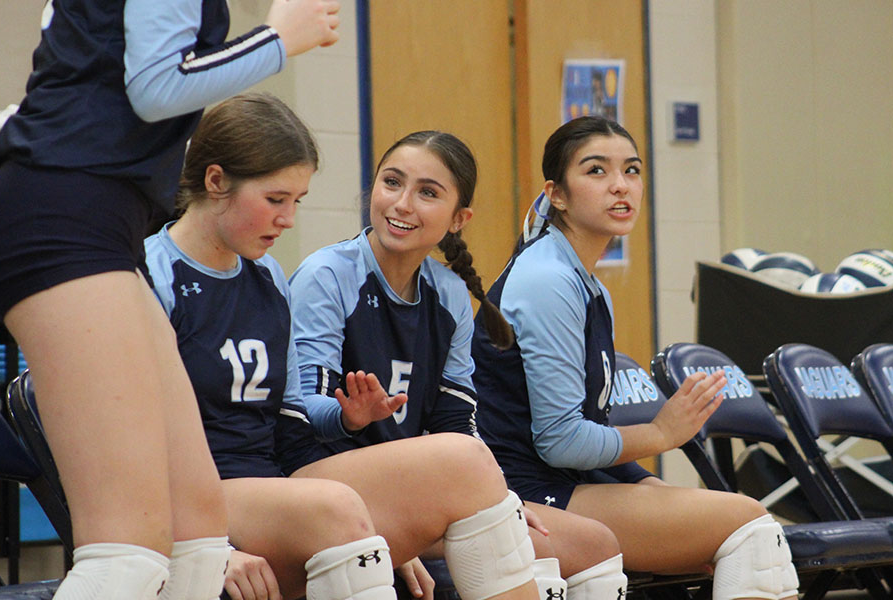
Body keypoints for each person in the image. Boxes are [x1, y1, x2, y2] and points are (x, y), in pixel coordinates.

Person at [0, 2, 340, 599]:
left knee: (199, 535)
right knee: (127, 552)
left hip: (100, 224)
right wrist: (279, 40)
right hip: (66, 221)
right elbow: (157, 87)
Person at [146, 98, 540, 600]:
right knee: (341, 511)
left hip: (269, 484)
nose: (288, 219)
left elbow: (290, 424)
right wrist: (206, 546)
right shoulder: (150, 277)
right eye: (275, 199)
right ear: (216, 181)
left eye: (298, 201)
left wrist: (350, 431)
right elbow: (122, 453)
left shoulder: (267, 275)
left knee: (472, 471)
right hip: (199, 497)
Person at [287, 130, 627, 600]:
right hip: (322, 481)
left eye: (427, 193)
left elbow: (455, 421)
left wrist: (491, 499)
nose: (402, 204)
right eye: (392, 182)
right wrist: (348, 416)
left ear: (458, 219)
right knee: (516, 540)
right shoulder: (328, 275)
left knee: (591, 544)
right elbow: (300, 417)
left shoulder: (447, 294)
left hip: (418, 489)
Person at [471, 116, 799, 600]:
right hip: (517, 493)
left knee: (731, 515)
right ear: (556, 194)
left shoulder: (584, 282)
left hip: (562, 481)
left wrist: (655, 491)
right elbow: (561, 442)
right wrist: (660, 434)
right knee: (749, 525)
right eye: (596, 171)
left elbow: (583, 430)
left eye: (632, 170)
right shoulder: (548, 279)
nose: (620, 186)